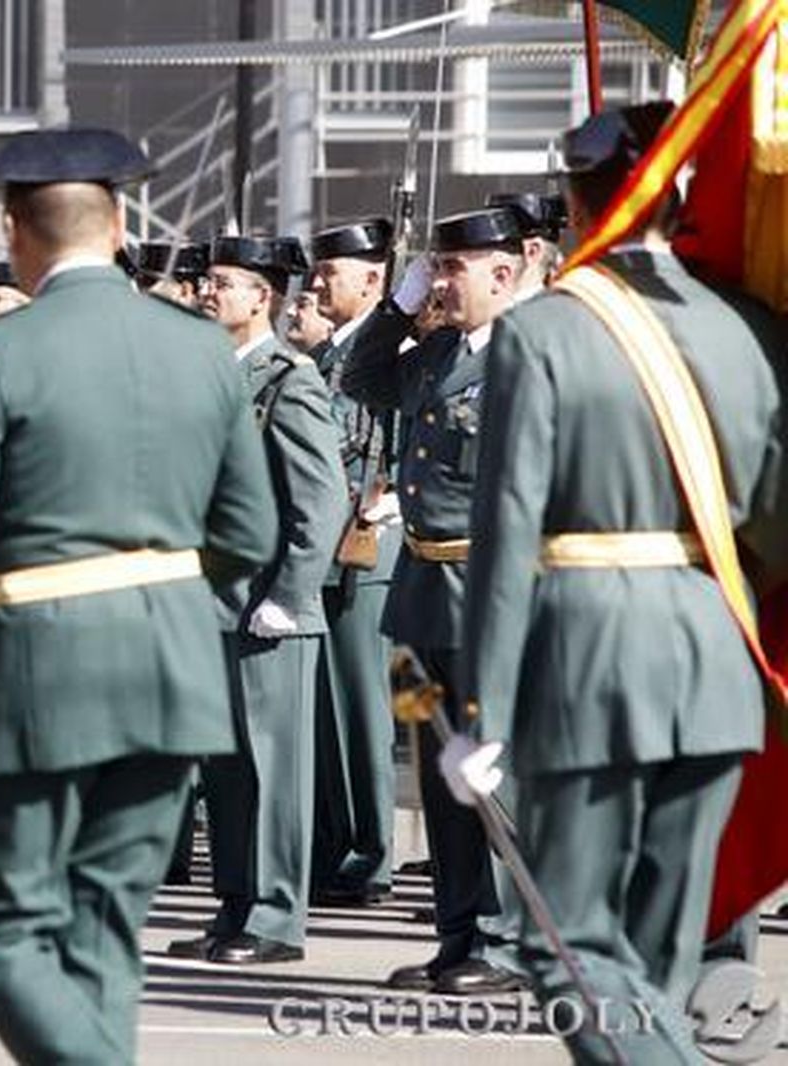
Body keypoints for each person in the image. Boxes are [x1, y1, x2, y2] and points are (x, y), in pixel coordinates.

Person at [0, 127, 278, 1064]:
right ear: (122, 220)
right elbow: (252, 531)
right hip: (173, 673)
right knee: (103, 927)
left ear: (14, 229)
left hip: (39, 673)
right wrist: (168, 592)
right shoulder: (201, 347)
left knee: (3, 929)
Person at [454, 102, 788, 1063]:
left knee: (565, 946)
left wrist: (484, 711)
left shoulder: (547, 331)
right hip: (719, 668)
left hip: (593, 666)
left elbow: (508, 532)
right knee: (653, 964)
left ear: (572, 200)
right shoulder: (748, 326)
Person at [342, 207, 530, 996]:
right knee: (441, 770)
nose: (442, 283)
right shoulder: (436, 353)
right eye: (437, 268)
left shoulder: (530, 355)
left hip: (488, 588)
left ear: (506, 271)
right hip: (424, 586)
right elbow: (360, 378)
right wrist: (395, 304)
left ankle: (507, 938)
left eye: (455, 268)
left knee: (492, 773)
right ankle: (459, 931)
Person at [166, 234, 347, 965]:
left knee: (273, 773)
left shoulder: (288, 380)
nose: (208, 294)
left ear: (260, 298)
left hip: (267, 611)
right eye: (207, 282)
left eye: (223, 284)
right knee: (229, 772)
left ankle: (275, 918)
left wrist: (290, 594)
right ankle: (236, 904)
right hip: (211, 604)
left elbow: (321, 502)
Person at [305, 218, 401, 908]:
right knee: (331, 710)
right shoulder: (323, 356)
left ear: (373, 280)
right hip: (326, 543)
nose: (315, 283)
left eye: (329, 272)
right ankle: (340, 843)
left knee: (363, 711)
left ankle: (372, 855)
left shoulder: (389, 348)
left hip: (367, 544)